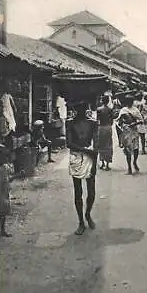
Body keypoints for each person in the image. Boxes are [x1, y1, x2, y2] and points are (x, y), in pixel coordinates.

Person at [66, 101, 99, 235]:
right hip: (76, 157)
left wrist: (94, 163)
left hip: (89, 157)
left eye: (83, 107)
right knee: (78, 192)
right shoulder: (70, 123)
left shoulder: (93, 123)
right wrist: (87, 152)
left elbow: (96, 145)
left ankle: (87, 214)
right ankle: (81, 222)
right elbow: (69, 143)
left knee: (91, 192)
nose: (80, 110)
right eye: (78, 107)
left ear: (86, 108)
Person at [117, 95, 144, 174]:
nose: (129, 103)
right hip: (126, 132)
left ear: (132, 102)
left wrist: (134, 123)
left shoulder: (135, 110)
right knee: (127, 150)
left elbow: (141, 120)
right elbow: (119, 121)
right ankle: (129, 168)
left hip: (134, 131)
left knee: (136, 149)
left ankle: (134, 162)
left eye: (130, 102)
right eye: (128, 102)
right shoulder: (123, 110)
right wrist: (123, 124)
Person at [0, 143, 14, 237]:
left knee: (3, 213)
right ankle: (2, 230)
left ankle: (2, 230)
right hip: (0, 193)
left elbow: (8, 179)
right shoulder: (0, 168)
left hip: (3, 193)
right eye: (4, 157)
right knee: (2, 212)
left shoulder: (4, 167)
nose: (6, 159)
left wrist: (18, 175)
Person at [97, 95, 114, 171]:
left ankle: (102, 162)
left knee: (101, 145)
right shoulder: (110, 109)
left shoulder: (99, 110)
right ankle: (107, 164)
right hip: (108, 127)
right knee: (108, 145)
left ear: (102, 101)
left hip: (101, 128)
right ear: (108, 101)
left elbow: (98, 120)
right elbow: (112, 121)